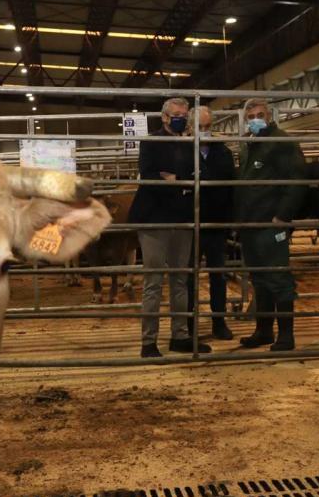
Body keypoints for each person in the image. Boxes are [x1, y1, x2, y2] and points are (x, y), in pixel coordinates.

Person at [129, 97, 212, 358]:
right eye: (176, 115)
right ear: (164, 117)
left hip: (182, 218)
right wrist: (176, 181)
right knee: (153, 281)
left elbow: (196, 175)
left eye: (184, 115)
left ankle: (180, 336)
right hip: (154, 218)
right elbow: (148, 175)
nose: (181, 119)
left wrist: (174, 179)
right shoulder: (151, 141)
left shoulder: (190, 143)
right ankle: (148, 341)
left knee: (180, 280)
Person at [234, 98, 306, 351]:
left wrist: (283, 216)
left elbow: (297, 180)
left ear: (269, 116)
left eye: (260, 115)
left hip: (270, 223)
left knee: (278, 276)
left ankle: (286, 335)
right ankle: (263, 331)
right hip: (251, 222)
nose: (255, 120)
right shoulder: (249, 143)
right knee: (259, 277)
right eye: (251, 116)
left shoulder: (281, 142)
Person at [186, 106, 235, 341]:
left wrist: (230, 220)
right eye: (199, 127)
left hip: (215, 222)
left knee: (218, 274)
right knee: (188, 276)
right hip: (189, 224)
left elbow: (230, 184)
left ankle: (219, 321)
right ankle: (189, 323)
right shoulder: (181, 151)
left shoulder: (223, 152)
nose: (204, 131)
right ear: (190, 128)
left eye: (207, 127)